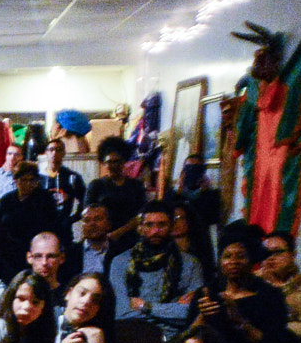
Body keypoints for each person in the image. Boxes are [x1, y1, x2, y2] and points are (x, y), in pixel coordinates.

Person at [112, 202, 206, 330]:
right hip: (134, 336)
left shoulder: (190, 263)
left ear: (171, 226)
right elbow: (122, 314)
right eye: (149, 225)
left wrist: (146, 307)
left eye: (161, 225)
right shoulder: (120, 262)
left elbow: (192, 312)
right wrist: (172, 311)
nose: (155, 231)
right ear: (140, 228)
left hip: (178, 339)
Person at [0, 164, 63, 275]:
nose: (28, 184)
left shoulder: (45, 199)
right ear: (15, 180)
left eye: (32, 180)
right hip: (10, 253)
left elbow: (52, 225)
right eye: (23, 180)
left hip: (36, 251)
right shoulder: (6, 200)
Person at [84, 138, 146, 250]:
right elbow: (88, 213)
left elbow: (141, 214)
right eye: (109, 162)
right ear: (104, 163)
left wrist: (119, 232)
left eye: (117, 161)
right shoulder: (96, 185)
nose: (113, 165)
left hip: (130, 237)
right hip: (102, 239)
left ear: (124, 162)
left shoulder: (136, 185)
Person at [41, 138, 86, 224]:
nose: (54, 153)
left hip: (64, 229)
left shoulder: (73, 177)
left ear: (63, 153)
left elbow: (84, 201)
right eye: (51, 150)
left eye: (58, 150)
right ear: (46, 153)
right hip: (41, 227)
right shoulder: (38, 177)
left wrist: (72, 219)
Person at [73, 201, 115, 279]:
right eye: (87, 220)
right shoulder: (70, 253)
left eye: (98, 219)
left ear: (108, 224)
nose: (92, 224)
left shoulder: (119, 251)